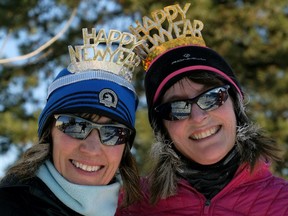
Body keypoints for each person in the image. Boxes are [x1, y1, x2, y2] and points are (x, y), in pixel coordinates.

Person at [116, 3, 288, 215]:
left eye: (212, 97)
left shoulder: (283, 202)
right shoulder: (132, 206)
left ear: (235, 104)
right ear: (162, 128)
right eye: (177, 107)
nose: (198, 117)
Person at [0, 27, 143, 216]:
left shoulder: (143, 210)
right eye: (75, 125)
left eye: (113, 132)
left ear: (125, 148)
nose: (91, 148)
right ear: (49, 133)